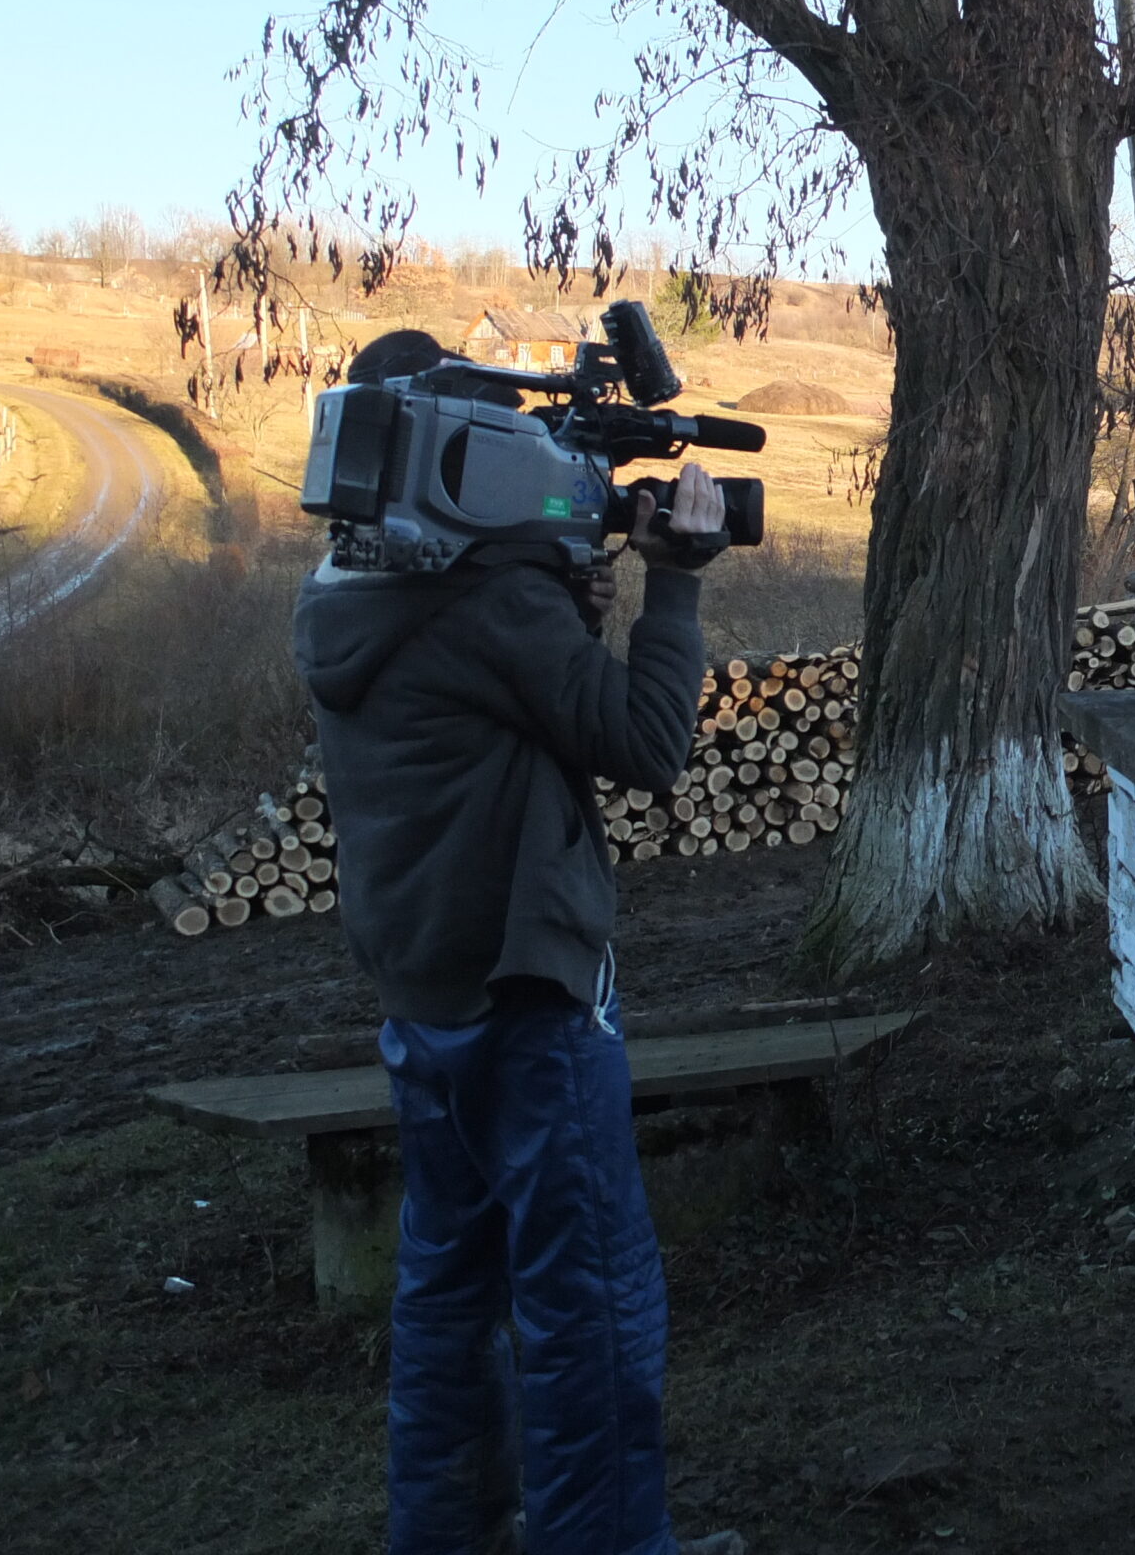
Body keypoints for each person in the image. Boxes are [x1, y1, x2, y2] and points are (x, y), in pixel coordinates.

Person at [294, 330, 745, 1555]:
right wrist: (675, 584)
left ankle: (449, 1533)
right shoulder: (494, 608)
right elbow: (645, 744)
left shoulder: (344, 594)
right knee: (587, 1295)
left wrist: (562, 592)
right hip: (527, 991)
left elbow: (490, 708)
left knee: (449, 1285)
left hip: (423, 994)